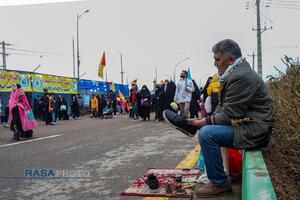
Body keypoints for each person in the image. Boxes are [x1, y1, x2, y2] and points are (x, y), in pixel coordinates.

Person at [163, 39, 273, 197]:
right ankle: (190, 125)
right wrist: (205, 121)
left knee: (208, 134)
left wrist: (200, 122)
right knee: (208, 128)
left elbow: (230, 114)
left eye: (217, 59)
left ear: (230, 60)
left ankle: (219, 183)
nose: (215, 63)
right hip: (247, 125)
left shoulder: (241, 76)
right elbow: (223, 108)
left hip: (256, 131)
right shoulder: (233, 74)